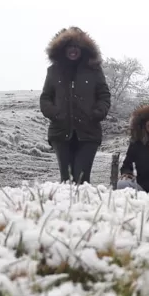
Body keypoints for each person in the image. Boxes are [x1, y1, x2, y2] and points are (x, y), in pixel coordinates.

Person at [39, 26, 111, 184]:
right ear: (63, 49)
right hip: (60, 132)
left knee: (82, 179)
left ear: (83, 49)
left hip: (88, 132)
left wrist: (98, 112)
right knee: (67, 180)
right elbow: (45, 98)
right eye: (69, 47)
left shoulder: (94, 70)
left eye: (77, 47)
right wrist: (55, 112)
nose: (73, 50)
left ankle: (86, 208)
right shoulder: (53, 71)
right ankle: (66, 208)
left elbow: (104, 95)